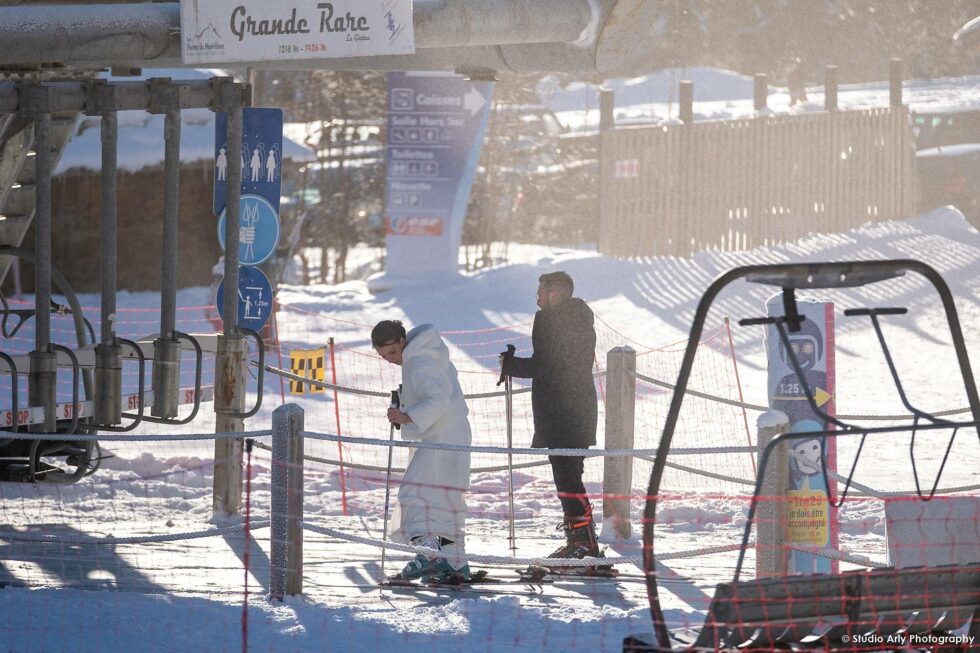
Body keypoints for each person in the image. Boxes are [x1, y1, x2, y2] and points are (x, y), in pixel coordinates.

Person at [500, 271, 603, 562]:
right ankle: (582, 541)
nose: (537, 299)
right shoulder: (579, 318)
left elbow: (547, 364)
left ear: (555, 293)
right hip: (575, 409)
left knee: (568, 479)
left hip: (563, 411)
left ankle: (583, 545)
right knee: (569, 477)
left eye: (541, 293)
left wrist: (511, 365)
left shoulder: (554, 320)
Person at [372, 319, 473, 583]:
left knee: (414, 492)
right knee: (445, 499)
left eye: (392, 352)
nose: (391, 359)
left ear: (402, 341)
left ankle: (428, 554)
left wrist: (407, 416)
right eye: (384, 356)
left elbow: (438, 399)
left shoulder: (420, 361)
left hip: (442, 436)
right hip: (451, 434)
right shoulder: (425, 354)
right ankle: (454, 559)